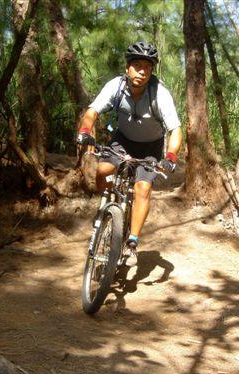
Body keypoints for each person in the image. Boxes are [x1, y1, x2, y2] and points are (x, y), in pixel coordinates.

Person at [77, 41, 182, 266]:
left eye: (147, 66)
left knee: (142, 188)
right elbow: (92, 111)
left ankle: (132, 242)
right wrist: (85, 131)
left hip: (151, 147)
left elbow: (175, 129)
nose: (142, 70)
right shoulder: (116, 86)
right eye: (137, 65)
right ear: (128, 68)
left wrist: (171, 156)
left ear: (151, 71)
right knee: (103, 171)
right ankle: (108, 208)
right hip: (122, 142)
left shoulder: (159, 93)